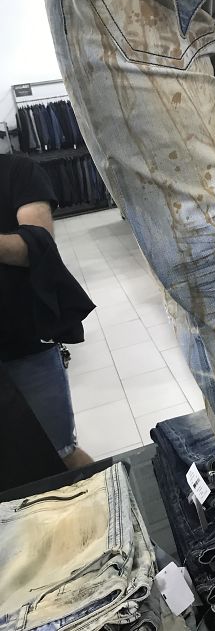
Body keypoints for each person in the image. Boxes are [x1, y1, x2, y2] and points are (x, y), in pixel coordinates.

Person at [0, 152, 92, 470]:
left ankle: (116, 501)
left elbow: (38, 243)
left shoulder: (17, 171)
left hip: (23, 341)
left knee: (61, 453)